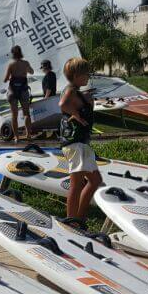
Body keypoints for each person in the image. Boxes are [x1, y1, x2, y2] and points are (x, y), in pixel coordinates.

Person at [58, 57, 101, 219]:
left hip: (82, 143)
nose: (88, 77)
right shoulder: (70, 90)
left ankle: (80, 218)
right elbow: (62, 104)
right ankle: (71, 220)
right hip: (75, 144)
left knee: (95, 181)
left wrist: (86, 101)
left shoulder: (77, 92)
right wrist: (75, 114)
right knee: (76, 185)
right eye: (85, 74)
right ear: (76, 75)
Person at [3, 45, 35, 141]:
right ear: (21, 53)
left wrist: (10, 78)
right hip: (23, 90)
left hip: (13, 91)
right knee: (26, 113)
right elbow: (32, 72)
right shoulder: (25, 63)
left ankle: (16, 137)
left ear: (13, 54)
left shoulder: (11, 64)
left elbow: (5, 79)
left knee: (14, 115)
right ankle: (28, 135)